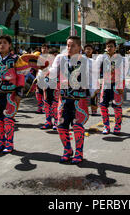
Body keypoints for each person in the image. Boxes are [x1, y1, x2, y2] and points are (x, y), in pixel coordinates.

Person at [49, 36, 91, 164]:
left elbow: (91, 80)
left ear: (79, 47)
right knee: (61, 126)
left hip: (79, 100)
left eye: (72, 45)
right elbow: (52, 73)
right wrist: (43, 69)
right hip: (64, 99)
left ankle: (79, 152)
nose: (69, 48)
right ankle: (67, 150)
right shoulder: (60, 58)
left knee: (77, 126)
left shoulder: (86, 61)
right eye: (67, 45)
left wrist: (93, 99)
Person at [95, 40, 125, 135]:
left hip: (116, 84)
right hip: (105, 84)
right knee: (103, 106)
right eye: (108, 46)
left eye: (111, 46)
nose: (109, 48)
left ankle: (117, 125)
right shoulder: (102, 58)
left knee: (117, 107)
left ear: (115, 48)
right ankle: (106, 126)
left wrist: (121, 86)